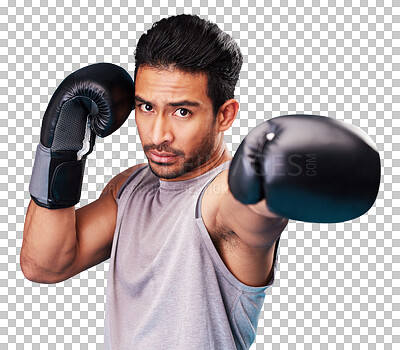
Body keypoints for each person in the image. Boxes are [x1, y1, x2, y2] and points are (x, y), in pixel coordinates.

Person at [21, 14, 380, 350]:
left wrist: (275, 179)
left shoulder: (221, 198)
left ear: (225, 115)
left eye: (182, 111)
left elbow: (246, 212)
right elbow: (45, 265)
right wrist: (60, 146)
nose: (158, 134)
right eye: (146, 107)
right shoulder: (130, 187)